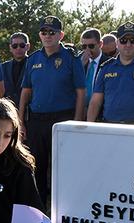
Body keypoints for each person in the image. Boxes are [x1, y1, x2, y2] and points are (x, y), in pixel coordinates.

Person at [19, 15, 85, 210]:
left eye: (52, 32)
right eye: (44, 32)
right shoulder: (33, 60)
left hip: (63, 120)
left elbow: (81, 92)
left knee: (61, 169)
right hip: (37, 121)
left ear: (61, 35)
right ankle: (39, 210)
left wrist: (77, 121)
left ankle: (63, 210)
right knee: (36, 167)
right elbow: (26, 91)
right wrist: (21, 120)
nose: (47, 36)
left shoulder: (71, 59)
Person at [87, 22, 134, 125]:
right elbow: (95, 102)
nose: (128, 44)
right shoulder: (106, 68)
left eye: (133, 40)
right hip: (110, 127)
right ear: (117, 43)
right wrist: (89, 127)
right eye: (123, 41)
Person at [80, 28, 109, 111]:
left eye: (91, 46)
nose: (87, 50)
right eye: (84, 46)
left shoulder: (108, 63)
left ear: (100, 44)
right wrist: (80, 66)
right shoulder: (78, 61)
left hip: (100, 110)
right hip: (80, 109)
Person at [1, 32, 30, 108]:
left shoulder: (34, 65)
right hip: (8, 111)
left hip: (30, 111)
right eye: (14, 46)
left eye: (22, 45)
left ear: (28, 46)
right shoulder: (3, 67)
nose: (18, 48)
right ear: (10, 48)